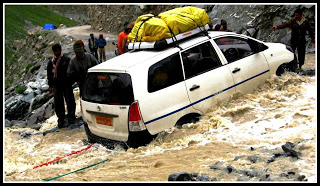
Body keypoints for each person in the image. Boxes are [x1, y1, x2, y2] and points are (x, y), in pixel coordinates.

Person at [47, 44, 76, 128]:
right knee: (58, 103)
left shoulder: (66, 60)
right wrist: (50, 86)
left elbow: (71, 71)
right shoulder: (51, 62)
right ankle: (61, 119)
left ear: (60, 50)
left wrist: (71, 81)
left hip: (66, 84)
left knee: (70, 101)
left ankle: (71, 118)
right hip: (57, 85)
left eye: (58, 50)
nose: (57, 52)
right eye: (55, 51)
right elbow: (49, 75)